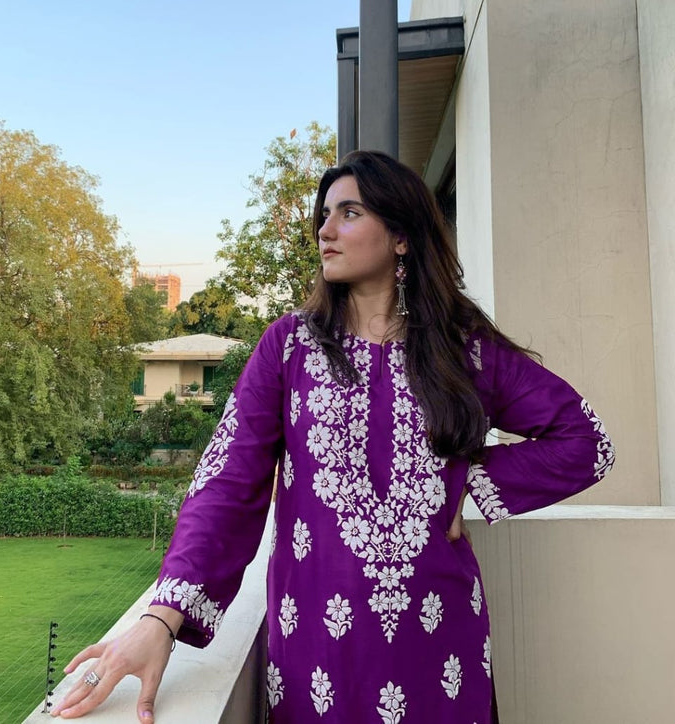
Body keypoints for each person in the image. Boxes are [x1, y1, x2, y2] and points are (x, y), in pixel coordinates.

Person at [52, 150, 615, 723]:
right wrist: (160, 620)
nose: (325, 230)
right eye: (324, 216)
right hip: (318, 656)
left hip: (442, 645)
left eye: (349, 213)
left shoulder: (462, 350)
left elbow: (585, 441)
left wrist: (469, 482)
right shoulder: (289, 348)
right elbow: (228, 484)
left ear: (401, 236)